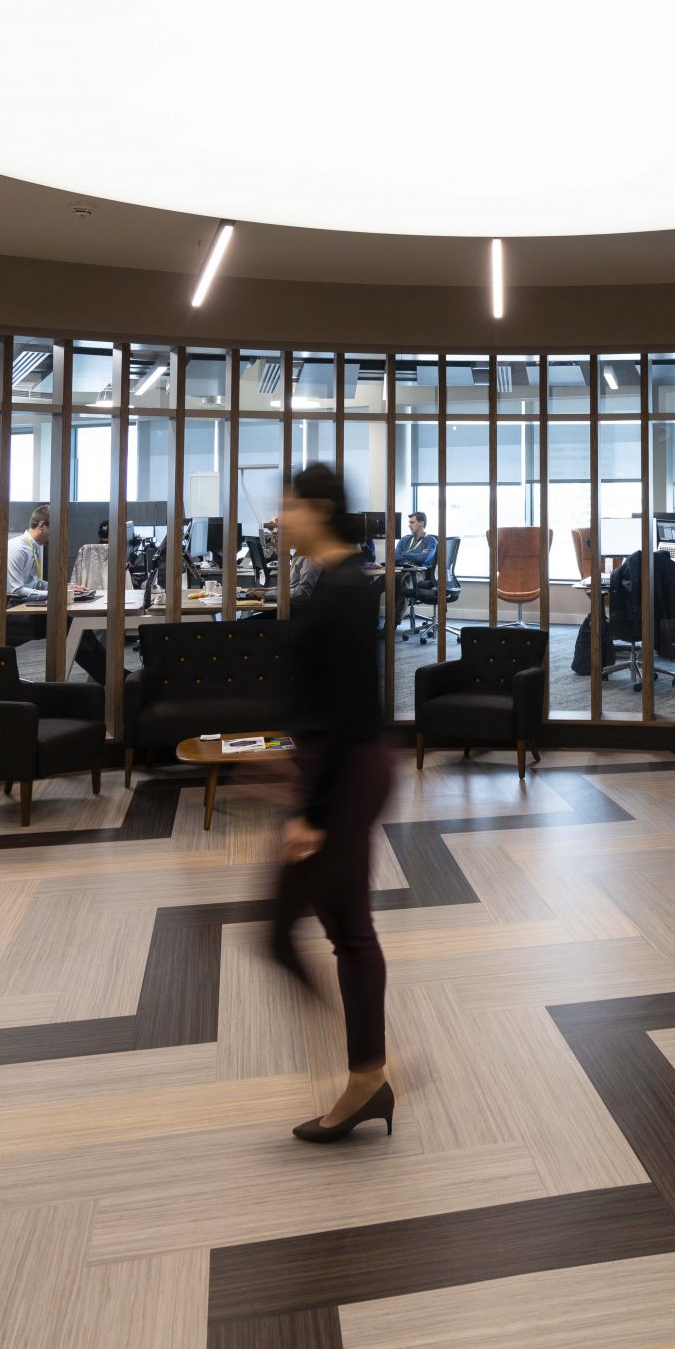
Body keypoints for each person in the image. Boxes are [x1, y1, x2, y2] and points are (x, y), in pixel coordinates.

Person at [267, 462, 397, 1143]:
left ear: (318, 509)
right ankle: (367, 1077)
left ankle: (363, 1070)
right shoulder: (332, 578)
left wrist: (312, 814)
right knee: (343, 928)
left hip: (346, 774)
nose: (279, 518)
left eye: (288, 506)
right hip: (338, 768)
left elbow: (349, 711)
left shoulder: (345, 586)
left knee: (289, 932)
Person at [4, 506, 51, 603]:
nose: (57, 535)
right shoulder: (17, 548)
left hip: (26, 602)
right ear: (42, 525)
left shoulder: (35, 547)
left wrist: (64, 588)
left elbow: (35, 583)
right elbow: (16, 591)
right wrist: (52, 594)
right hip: (13, 606)